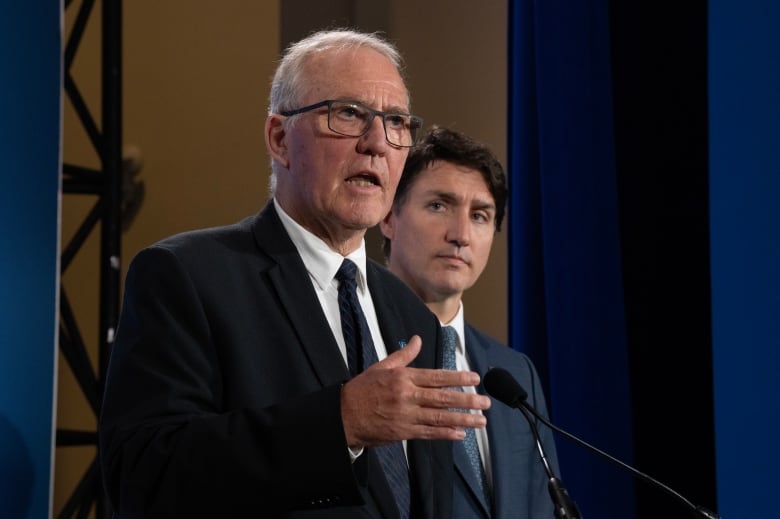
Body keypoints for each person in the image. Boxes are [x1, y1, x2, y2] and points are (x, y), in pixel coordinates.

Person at [98, 30, 491, 518]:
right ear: (280, 139)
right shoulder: (189, 277)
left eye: (395, 122)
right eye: (348, 114)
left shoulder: (413, 316)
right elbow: (141, 477)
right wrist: (339, 424)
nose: (376, 144)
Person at [380, 126, 560, 519]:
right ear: (388, 217)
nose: (460, 235)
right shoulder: (355, 346)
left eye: (480, 215)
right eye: (439, 206)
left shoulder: (515, 373)